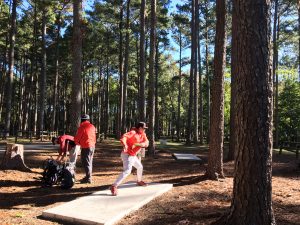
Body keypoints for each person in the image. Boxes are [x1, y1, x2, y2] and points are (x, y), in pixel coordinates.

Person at [110, 122, 149, 196]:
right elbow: (124, 137)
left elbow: (147, 142)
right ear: (140, 128)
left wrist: (142, 144)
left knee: (140, 167)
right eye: (143, 128)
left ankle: (139, 181)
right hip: (127, 154)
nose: (144, 130)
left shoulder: (143, 134)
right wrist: (124, 144)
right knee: (127, 171)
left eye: (145, 128)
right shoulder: (133, 132)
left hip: (133, 155)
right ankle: (114, 186)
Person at [74, 114, 96, 184]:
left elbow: (77, 138)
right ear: (88, 120)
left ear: (82, 120)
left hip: (86, 146)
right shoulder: (92, 126)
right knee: (90, 162)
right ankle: (88, 176)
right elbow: (94, 136)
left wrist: (77, 143)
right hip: (92, 146)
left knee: (86, 162)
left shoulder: (82, 127)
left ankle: (88, 178)